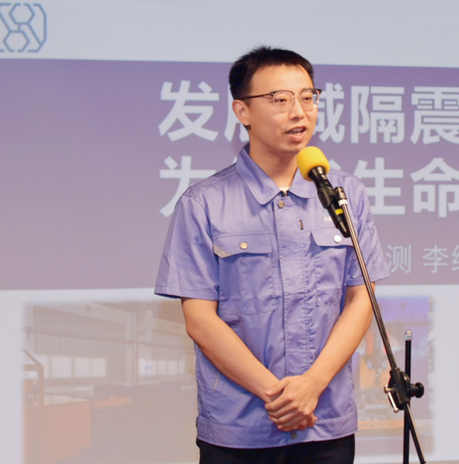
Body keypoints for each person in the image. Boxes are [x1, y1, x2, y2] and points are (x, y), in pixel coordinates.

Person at [155, 46, 389, 464]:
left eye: (308, 97)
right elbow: (200, 320)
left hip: (326, 421)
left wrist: (312, 385)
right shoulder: (204, 203)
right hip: (239, 428)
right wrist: (279, 396)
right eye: (280, 100)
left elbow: (361, 299)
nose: (299, 112)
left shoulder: (344, 193)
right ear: (242, 111)